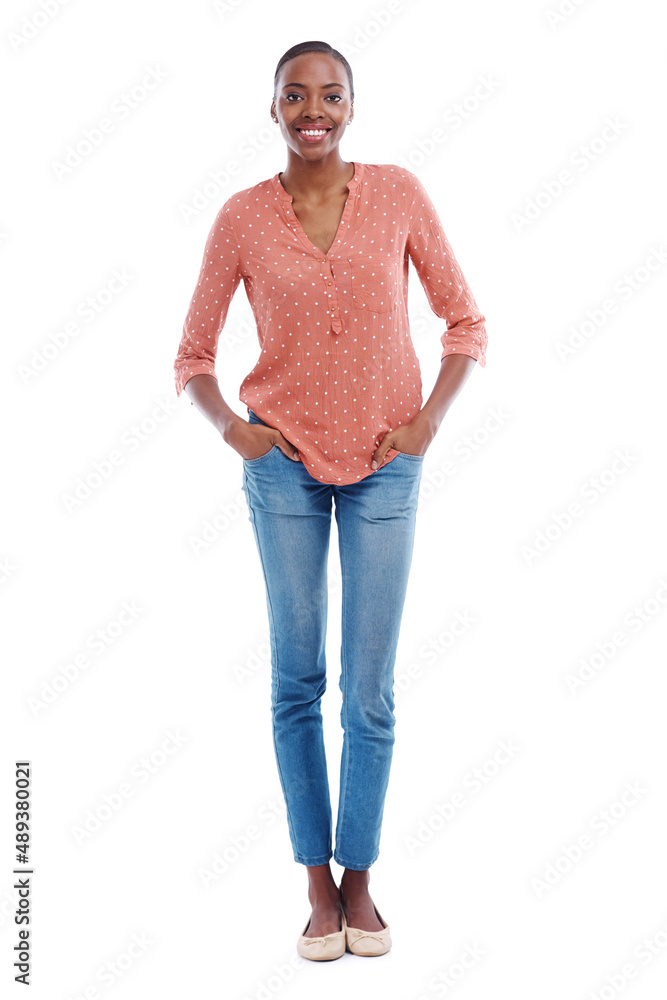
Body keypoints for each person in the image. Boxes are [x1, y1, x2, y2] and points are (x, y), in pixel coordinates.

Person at [173, 39, 488, 961]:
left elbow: (464, 319)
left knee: (372, 692)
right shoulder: (240, 218)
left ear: (352, 105)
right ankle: (314, 883)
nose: (315, 109)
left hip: (388, 464)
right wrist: (235, 429)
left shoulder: (396, 194)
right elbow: (191, 354)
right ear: (272, 109)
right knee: (296, 680)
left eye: (331, 94)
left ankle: (360, 878)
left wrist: (427, 421)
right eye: (295, 95)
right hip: (283, 470)